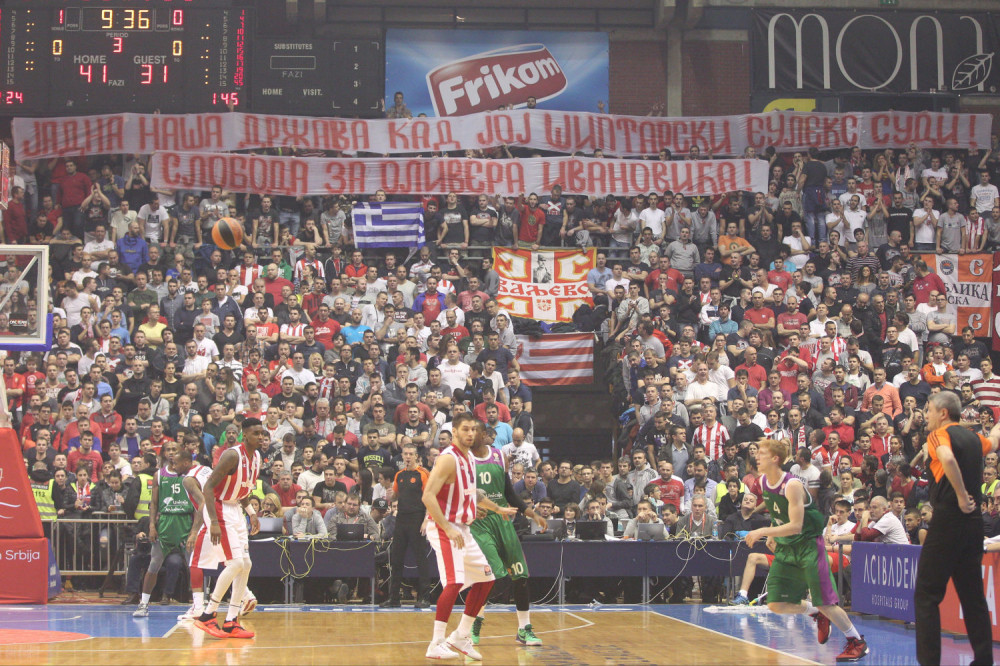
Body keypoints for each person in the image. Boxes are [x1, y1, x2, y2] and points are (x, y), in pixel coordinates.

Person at [746, 438, 869, 662]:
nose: (756, 456)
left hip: (809, 546)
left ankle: (857, 641)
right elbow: (778, 512)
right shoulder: (763, 481)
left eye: (761, 452)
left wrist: (764, 531)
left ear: (775, 459)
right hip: (787, 547)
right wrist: (773, 530)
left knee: (826, 601)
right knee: (776, 603)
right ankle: (814, 613)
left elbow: (796, 525)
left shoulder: (791, 485)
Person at [421, 412, 516, 660]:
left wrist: (497, 509)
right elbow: (428, 496)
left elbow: (472, 493)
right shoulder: (448, 459)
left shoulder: (470, 457)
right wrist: (448, 528)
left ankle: (461, 636)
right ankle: (436, 643)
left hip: (463, 528)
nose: (470, 434)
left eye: (473, 429)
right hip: (445, 527)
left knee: (486, 579)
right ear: (454, 432)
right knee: (453, 583)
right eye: (465, 429)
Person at [914, 391, 1000, 665]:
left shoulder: (939, 434)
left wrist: (962, 496)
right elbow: (995, 441)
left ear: (943, 413)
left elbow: (947, 459)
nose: (925, 415)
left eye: (928, 409)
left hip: (949, 518)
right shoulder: (974, 438)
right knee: (973, 596)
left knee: (926, 595)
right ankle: (984, 660)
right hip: (973, 526)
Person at [468, 424, 547, 647]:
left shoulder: (498, 456)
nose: (471, 436)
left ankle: (524, 629)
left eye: (475, 432)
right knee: (490, 577)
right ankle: (474, 624)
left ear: (486, 436)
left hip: (503, 521)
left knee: (520, 577)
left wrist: (531, 513)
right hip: (479, 523)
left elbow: (509, 493)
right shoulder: (462, 460)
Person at [192, 418, 265, 639]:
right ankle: (207, 615)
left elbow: (242, 491)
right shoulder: (232, 455)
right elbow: (208, 487)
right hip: (219, 507)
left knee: (246, 564)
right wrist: (213, 522)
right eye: (255, 433)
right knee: (235, 563)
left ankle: (232, 621)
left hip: (236, 509)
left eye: (262, 434)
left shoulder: (257, 457)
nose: (260, 437)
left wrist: (252, 514)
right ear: (244, 434)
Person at [133, 443, 194, 616]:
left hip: (185, 521)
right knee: (154, 564)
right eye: (169, 450)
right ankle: (143, 604)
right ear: (164, 454)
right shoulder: (159, 475)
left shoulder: (190, 475)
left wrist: (194, 530)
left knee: (194, 565)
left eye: (175, 450)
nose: (172, 453)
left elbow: (197, 504)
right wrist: (152, 525)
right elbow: (153, 503)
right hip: (166, 522)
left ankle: (199, 604)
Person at [381, 443, 432, 609]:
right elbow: (396, 495)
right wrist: (391, 494)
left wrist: (426, 520)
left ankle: (424, 597)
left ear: (416, 456)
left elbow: (430, 498)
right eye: (405, 454)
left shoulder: (423, 474)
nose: (408, 457)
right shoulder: (399, 475)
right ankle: (394, 598)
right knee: (396, 559)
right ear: (402, 456)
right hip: (401, 518)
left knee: (420, 559)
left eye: (411, 454)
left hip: (417, 518)